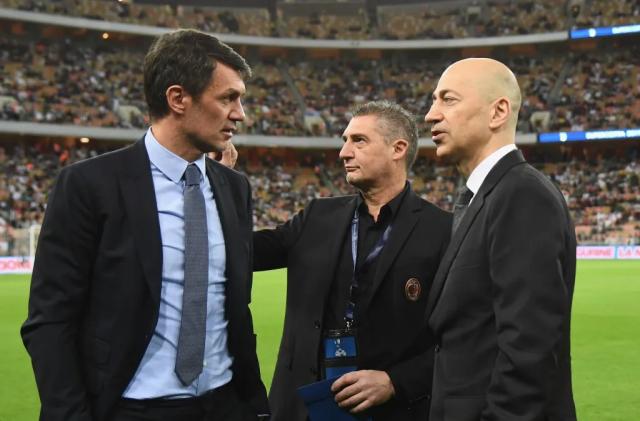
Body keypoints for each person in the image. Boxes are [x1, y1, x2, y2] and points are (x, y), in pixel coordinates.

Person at [21, 29, 269, 421]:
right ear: (178, 98)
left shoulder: (234, 188)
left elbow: (236, 307)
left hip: (226, 405)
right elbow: (51, 320)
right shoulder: (89, 185)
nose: (240, 113)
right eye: (227, 98)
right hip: (132, 409)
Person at [253, 101, 452, 420]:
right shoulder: (317, 216)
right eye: (345, 140)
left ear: (398, 149)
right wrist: (219, 180)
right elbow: (246, 251)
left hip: (391, 411)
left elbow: (462, 337)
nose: (344, 152)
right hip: (303, 409)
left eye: (359, 140)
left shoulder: (442, 230)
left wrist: (396, 381)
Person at [423, 58, 577, 421]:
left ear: (498, 112)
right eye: (433, 101)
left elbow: (530, 350)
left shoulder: (522, 195)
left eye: (448, 99)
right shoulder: (489, 195)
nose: (430, 115)